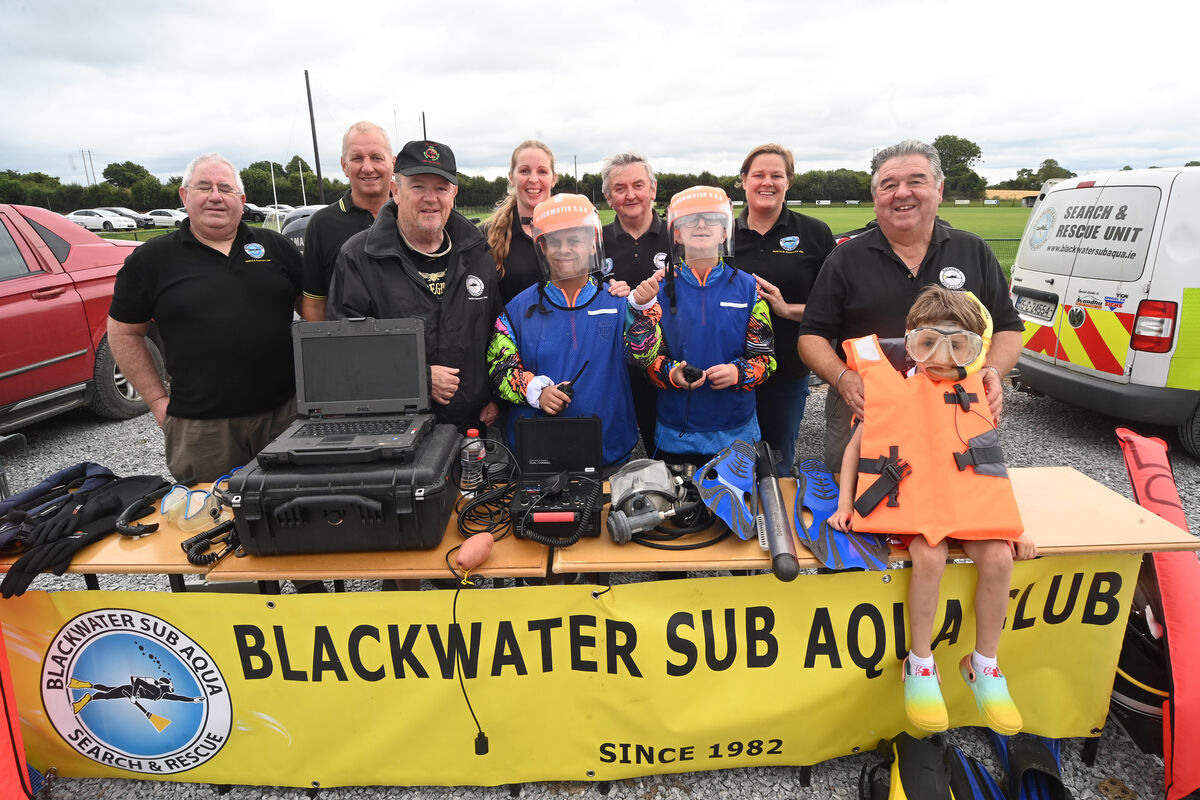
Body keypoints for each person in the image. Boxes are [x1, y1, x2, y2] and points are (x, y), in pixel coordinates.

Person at [828, 285, 1037, 735]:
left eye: (958, 345)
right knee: (928, 555)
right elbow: (855, 450)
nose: (942, 356)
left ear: (973, 350)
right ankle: (920, 663)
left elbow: (989, 462)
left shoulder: (979, 392)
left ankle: (984, 662)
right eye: (928, 343)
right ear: (911, 345)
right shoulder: (892, 391)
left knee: (1000, 557)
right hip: (917, 509)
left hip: (969, 507)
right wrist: (846, 504)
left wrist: (1014, 526)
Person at [798, 139, 1023, 471]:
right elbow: (811, 336)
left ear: (939, 189)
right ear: (876, 200)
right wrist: (843, 377)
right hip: (865, 403)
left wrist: (991, 372)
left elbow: (1007, 327)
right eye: (889, 185)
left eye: (916, 181)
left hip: (955, 402)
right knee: (857, 495)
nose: (902, 193)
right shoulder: (844, 258)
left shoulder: (973, 251)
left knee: (950, 489)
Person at [107, 153, 302, 482]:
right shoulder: (151, 260)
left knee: (291, 514)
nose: (215, 196)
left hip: (283, 418)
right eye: (204, 187)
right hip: (202, 432)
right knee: (212, 525)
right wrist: (156, 400)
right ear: (184, 196)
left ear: (241, 200)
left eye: (225, 188)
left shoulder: (276, 247)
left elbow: (316, 314)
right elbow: (124, 333)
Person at [326, 140, 499, 432]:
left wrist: (496, 396)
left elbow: (497, 333)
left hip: (473, 426)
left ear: (453, 194)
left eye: (441, 188)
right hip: (397, 428)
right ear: (395, 192)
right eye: (418, 186)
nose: (430, 198)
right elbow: (346, 353)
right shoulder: (358, 257)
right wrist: (420, 378)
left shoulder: (477, 252)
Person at [488, 194, 646, 471]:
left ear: (591, 244)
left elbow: (644, 356)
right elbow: (499, 369)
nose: (564, 249)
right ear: (543, 247)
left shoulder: (618, 301)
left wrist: (642, 308)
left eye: (574, 240)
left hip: (609, 453)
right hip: (539, 455)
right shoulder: (517, 309)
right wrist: (535, 391)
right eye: (555, 241)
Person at [629, 186, 775, 466]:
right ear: (676, 233)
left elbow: (765, 361)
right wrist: (671, 373)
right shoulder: (656, 288)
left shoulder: (749, 289)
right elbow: (642, 359)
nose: (700, 225)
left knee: (735, 510)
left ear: (724, 232)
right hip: (675, 436)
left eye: (711, 219)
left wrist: (737, 372)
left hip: (738, 433)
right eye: (689, 220)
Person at [733, 143, 835, 472]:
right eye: (758, 175)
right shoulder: (721, 234)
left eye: (777, 175)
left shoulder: (814, 233)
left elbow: (834, 307)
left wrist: (785, 308)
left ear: (788, 181)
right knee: (733, 462)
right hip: (730, 370)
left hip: (787, 369)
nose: (767, 182)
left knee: (777, 464)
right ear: (744, 181)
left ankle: (775, 524)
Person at [600, 152, 673, 452]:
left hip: (666, 363)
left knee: (666, 454)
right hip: (612, 366)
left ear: (653, 189)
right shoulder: (594, 241)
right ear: (608, 197)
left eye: (638, 185)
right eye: (620, 188)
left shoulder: (678, 235)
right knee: (612, 456)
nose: (631, 195)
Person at [300, 121, 394, 321]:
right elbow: (315, 304)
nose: (367, 168)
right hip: (349, 348)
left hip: (410, 346)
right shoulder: (321, 224)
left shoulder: (412, 218)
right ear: (344, 166)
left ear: (393, 163)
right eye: (357, 158)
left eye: (377, 157)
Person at [484, 140, 558, 304]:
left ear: (554, 179)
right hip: (509, 328)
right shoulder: (486, 235)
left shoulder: (572, 229)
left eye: (542, 171)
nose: (533, 179)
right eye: (524, 171)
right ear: (511, 177)